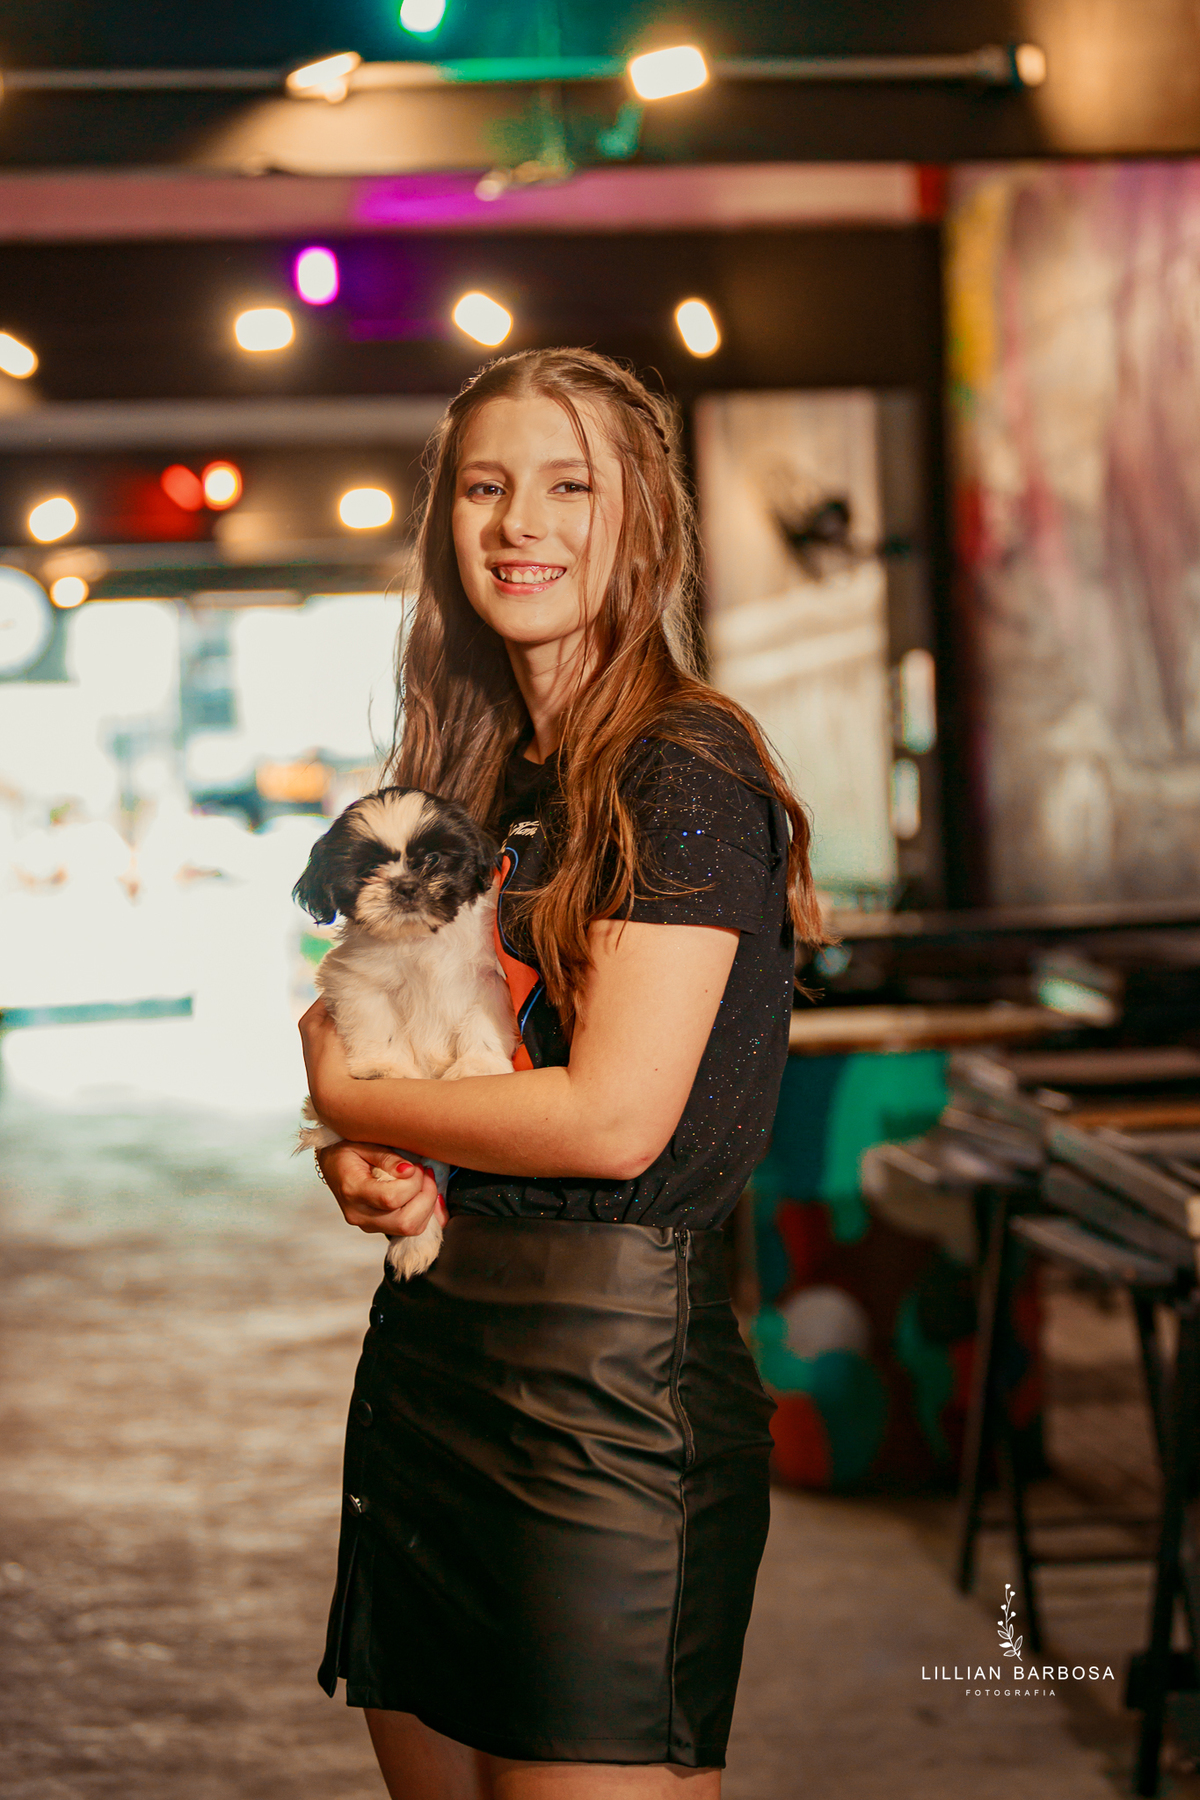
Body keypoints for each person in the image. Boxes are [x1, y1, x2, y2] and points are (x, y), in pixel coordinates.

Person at [299, 348, 824, 1800]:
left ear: (640, 518)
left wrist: (346, 1104)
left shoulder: (683, 765)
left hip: (608, 1406)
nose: (519, 524)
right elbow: (377, 1022)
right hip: (428, 1381)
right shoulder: (472, 773)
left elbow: (608, 1120)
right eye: (486, 486)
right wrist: (375, 1155)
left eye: (568, 487)